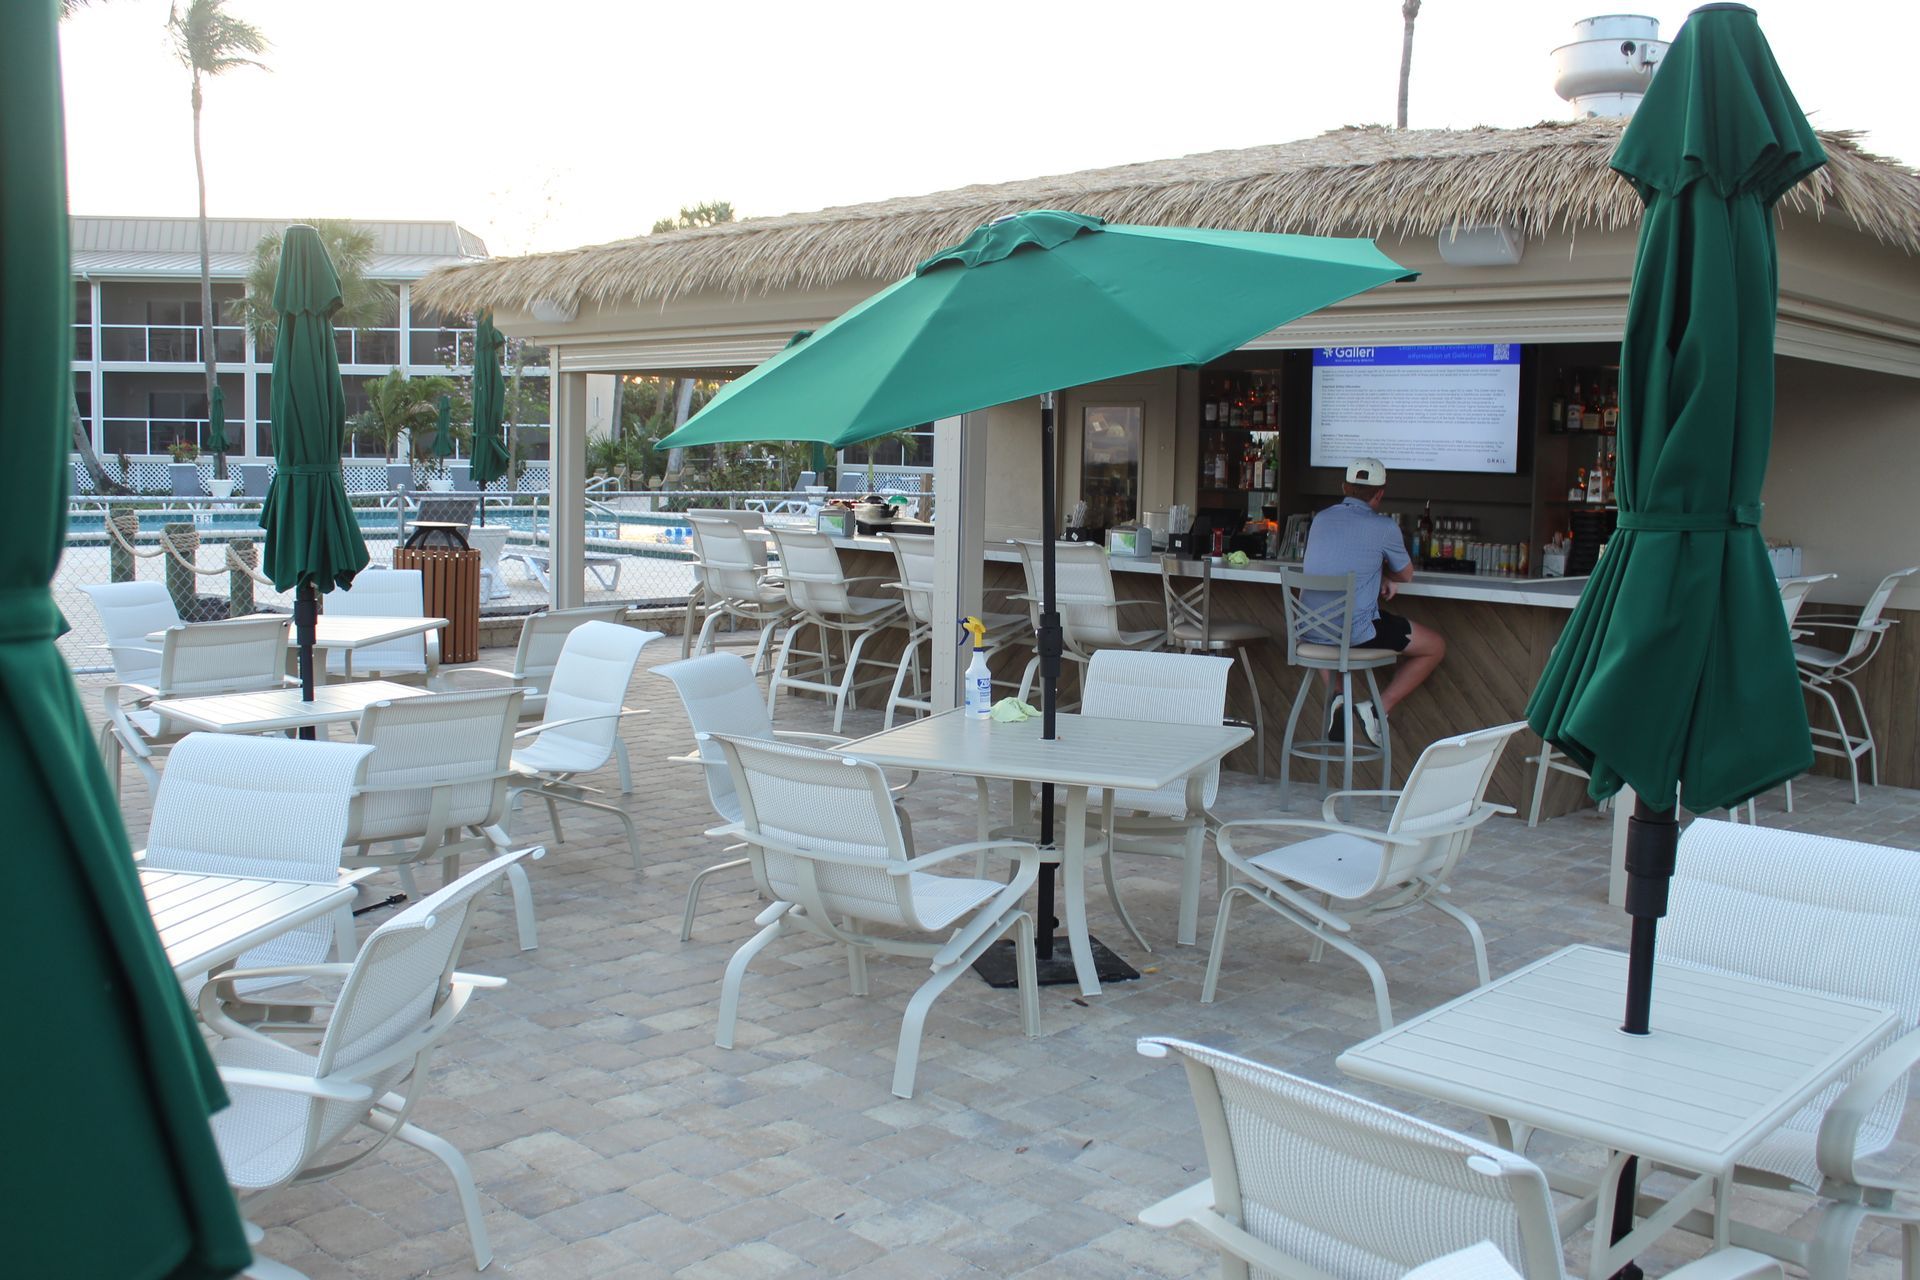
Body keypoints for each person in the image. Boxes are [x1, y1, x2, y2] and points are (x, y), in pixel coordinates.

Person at [1300, 457, 1446, 745]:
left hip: (1308, 630)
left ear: (1344, 487)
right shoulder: (1384, 527)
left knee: (1325, 632)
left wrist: (1377, 575)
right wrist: (1386, 575)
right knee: (1435, 646)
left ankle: (1338, 696)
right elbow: (1406, 575)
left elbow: (1336, 563)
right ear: (1380, 494)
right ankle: (1378, 708)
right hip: (1354, 634)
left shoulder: (1320, 519)